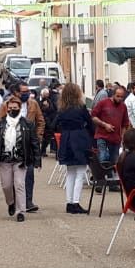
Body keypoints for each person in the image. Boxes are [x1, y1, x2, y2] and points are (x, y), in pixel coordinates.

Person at [0, 96, 40, 221]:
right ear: (6, 109)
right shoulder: (0, 124)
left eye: (15, 108)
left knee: (20, 184)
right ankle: (11, 202)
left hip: (21, 160)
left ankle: (20, 211)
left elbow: (34, 142)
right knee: (6, 186)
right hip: (4, 160)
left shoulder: (27, 124)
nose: (12, 110)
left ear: (20, 108)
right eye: (10, 108)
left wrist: (37, 160)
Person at [55, 83, 93, 214]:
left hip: (66, 138)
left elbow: (54, 124)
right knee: (81, 172)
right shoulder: (81, 107)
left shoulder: (62, 109)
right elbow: (90, 124)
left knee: (70, 172)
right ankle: (76, 202)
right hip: (79, 138)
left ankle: (69, 202)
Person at [90, 84, 131, 166]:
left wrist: (122, 137)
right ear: (113, 94)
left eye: (121, 97)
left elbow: (125, 124)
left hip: (116, 138)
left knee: (114, 161)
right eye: (118, 96)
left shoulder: (123, 106)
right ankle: (102, 177)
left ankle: (111, 177)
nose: (119, 99)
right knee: (103, 157)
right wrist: (104, 125)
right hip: (102, 136)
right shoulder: (103, 103)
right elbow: (93, 116)